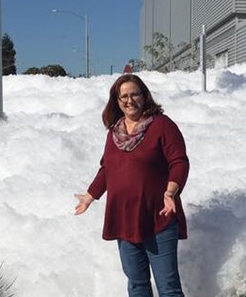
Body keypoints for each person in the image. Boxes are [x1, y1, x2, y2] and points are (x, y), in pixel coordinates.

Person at [74, 74, 189, 297]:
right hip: (125, 220)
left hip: (159, 217)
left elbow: (179, 161)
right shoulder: (114, 132)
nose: (129, 100)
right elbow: (107, 169)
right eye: (123, 96)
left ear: (144, 96)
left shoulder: (162, 125)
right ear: (116, 101)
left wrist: (171, 191)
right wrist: (90, 196)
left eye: (134, 94)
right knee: (137, 285)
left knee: (169, 288)